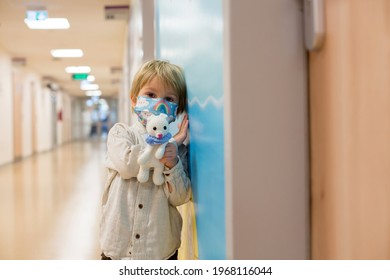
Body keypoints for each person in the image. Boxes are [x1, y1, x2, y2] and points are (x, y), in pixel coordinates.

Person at [99, 60, 191, 260]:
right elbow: (128, 165)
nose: (159, 104)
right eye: (150, 95)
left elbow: (180, 197)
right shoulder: (120, 133)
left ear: (176, 109)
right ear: (134, 101)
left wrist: (173, 163)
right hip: (117, 249)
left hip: (160, 251)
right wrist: (168, 146)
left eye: (168, 98)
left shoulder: (178, 151)